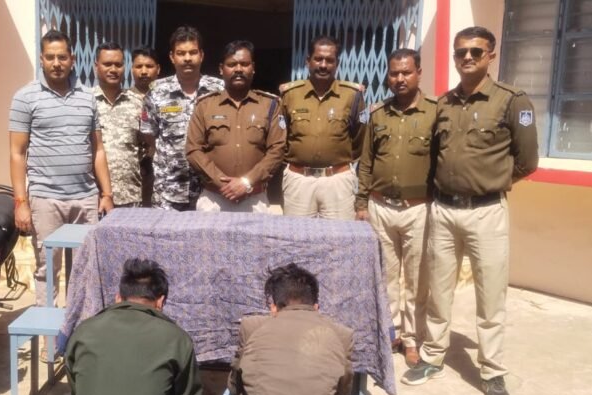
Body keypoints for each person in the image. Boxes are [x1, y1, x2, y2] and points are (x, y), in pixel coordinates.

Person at [401, 26, 539, 395]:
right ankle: (432, 357)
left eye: (476, 51)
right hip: (444, 212)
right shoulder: (444, 103)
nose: (467, 57)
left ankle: (492, 371)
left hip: (486, 212)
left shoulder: (512, 101)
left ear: (491, 54)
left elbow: (527, 161)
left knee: (490, 295)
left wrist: (490, 183)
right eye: (460, 51)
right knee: (438, 291)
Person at [50, 258, 222, 395]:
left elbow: (77, 391)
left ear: (118, 298)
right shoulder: (176, 339)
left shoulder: (83, 332)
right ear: (160, 302)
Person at [9, 30, 113, 309]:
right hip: (45, 199)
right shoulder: (25, 98)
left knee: (85, 269)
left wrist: (106, 194)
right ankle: (48, 332)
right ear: (41, 59)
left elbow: (98, 149)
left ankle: (79, 329)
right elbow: (17, 153)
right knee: (47, 269)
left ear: (72, 59)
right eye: (50, 57)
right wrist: (20, 202)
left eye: (62, 57)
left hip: (85, 198)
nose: (56, 63)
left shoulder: (88, 98)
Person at [219, 263, 357, 395]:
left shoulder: (252, 327)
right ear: (316, 307)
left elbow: (235, 385)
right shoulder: (341, 335)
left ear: (273, 307)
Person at [355, 48, 436, 367]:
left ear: (419, 73)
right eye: (394, 73)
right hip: (380, 206)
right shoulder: (378, 113)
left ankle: (413, 339)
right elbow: (366, 161)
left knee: (416, 279)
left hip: (419, 209)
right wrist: (361, 202)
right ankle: (391, 333)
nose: (400, 78)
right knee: (385, 276)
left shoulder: (435, 112)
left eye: (406, 72)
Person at [185, 40, 285, 212]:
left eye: (244, 64)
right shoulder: (205, 105)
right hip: (214, 199)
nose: (238, 69)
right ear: (221, 69)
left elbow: (277, 149)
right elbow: (193, 149)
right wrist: (222, 182)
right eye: (232, 64)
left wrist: (247, 182)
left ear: (253, 68)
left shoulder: (270, 105)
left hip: (255, 199)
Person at [279, 35, 366, 220]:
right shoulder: (290, 94)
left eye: (329, 60)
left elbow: (360, 138)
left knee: (338, 236)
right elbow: (281, 135)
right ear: (308, 61)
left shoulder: (352, 95)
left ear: (337, 63)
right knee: (297, 235)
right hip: (299, 180)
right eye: (318, 59)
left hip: (337, 181)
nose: (323, 65)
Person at [140, 26, 224, 211]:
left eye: (193, 52)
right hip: (168, 191)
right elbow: (149, 134)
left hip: (210, 191)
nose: (187, 58)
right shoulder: (157, 91)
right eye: (181, 53)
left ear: (201, 55)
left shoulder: (219, 90)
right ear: (172, 57)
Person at [93, 42, 144, 207]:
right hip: (94, 198)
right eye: (107, 64)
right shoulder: (85, 103)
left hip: (130, 197)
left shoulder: (138, 103)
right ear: (96, 66)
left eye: (118, 64)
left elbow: (147, 146)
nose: (113, 69)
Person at [129, 47, 161, 207]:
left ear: (158, 69)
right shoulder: (123, 99)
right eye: (138, 66)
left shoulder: (168, 99)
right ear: (131, 69)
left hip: (162, 176)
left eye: (149, 66)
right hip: (130, 178)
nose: (143, 71)